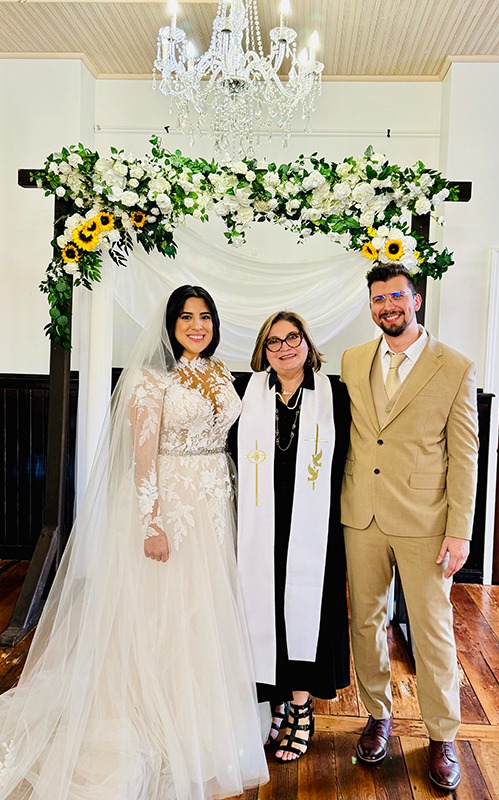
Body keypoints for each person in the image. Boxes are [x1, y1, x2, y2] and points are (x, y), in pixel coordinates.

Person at [0, 286, 268, 800]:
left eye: (206, 316)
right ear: (169, 325)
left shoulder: (220, 373)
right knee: (160, 612)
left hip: (213, 507)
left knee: (201, 611)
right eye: (186, 317)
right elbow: (141, 459)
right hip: (170, 506)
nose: (197, 325)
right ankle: (150, 716)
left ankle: (199, 718)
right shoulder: (150, 382)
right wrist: (152, 522)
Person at [341, 263, 479, 791]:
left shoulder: (456, 366)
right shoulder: (354, 361)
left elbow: (464, 455)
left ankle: (442, 734)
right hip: (362, 513)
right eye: (378, 300)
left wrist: (459, 528)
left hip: (427, 521)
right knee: (366, 623)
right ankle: (378, 715)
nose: (387, 307)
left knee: (432, 630)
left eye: (396, 297)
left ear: (415, 300)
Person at [229, 311, 351, 763]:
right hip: (261, 525)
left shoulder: (334, 395)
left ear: (307, 343)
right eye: (274, 341)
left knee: (305, 611)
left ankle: (301, 709)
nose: (284, 348)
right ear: (263, 351)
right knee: (263, 609)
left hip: (314, 527)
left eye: (292, 338)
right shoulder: (249, 395)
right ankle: (276, 699)